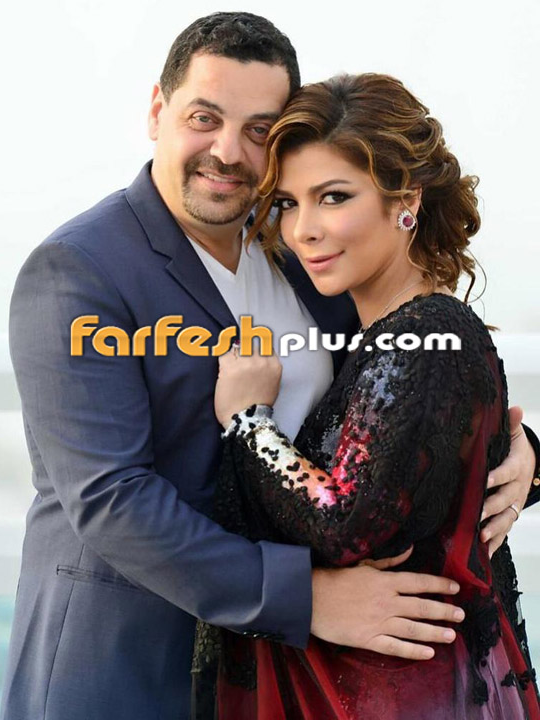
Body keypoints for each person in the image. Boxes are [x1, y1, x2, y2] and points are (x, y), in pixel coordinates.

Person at [1, 13, 540, 720]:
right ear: (158, 111)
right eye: (204, 118)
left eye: (258, 129)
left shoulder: (304, 254)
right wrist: (309, 598)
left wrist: (519, 456)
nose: (227, 151)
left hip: (290, 681)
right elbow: (110, 497)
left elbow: (401, 395)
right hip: (132, 665)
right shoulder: (79, 270)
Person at [191, 73, 540, 719]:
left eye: (333, 197)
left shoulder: (422, 334)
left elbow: (343, 521)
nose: (303, 230)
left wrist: (248, 422)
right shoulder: (398, 329)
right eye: (288, 203)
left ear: (404, 200)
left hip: (405, 693)